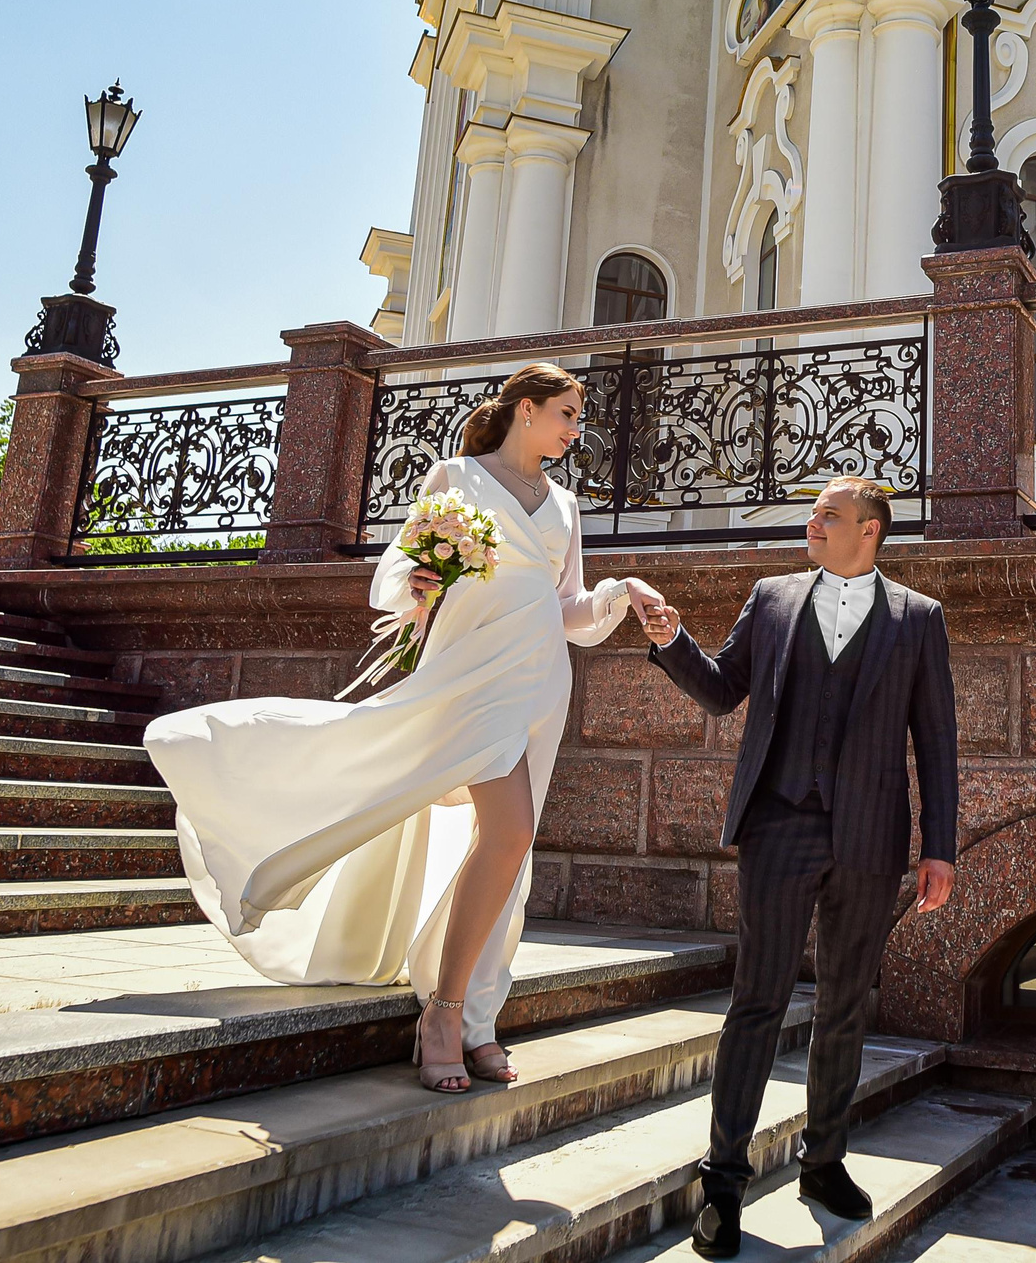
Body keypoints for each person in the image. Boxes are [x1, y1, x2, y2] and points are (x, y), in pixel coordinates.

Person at [144, 363, 665, 1094]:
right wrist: (420, 582)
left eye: (579, 419)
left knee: (506, 850)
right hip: (473, 674)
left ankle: (476, 1015)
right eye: (568, 414)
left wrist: (625, 592)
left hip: (541, 682)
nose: (577, 431)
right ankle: (444, 1014)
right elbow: (403, 576)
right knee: (510, 832)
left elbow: (571, 609)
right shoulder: (456, 477)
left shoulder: (566, 505)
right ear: (526, 410)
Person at [633, 476, 958, 1259]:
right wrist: (674, 639)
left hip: (870, 839)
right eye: (814, 511)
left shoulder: (918, 619)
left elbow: (936, 741)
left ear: (871, 531)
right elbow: (721, 691)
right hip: (779, 827)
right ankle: (722, 1180)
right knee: (757, 1001)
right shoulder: (773, 597)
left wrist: (939, 845)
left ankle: (824, 1161)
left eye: (831, 514)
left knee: (846, 1003)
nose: (813, 521)